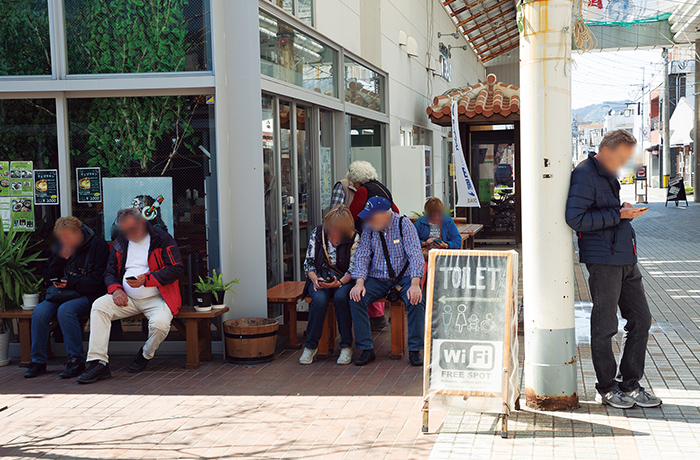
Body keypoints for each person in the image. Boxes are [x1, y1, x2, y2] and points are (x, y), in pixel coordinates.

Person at [566, 129, 660, 409]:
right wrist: (619, 214)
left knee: (641, 320)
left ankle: (630, 384)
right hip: (604, 259)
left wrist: (622, 210)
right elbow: (576, 218)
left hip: (624, 255)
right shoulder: (585, 173)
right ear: (606, 150)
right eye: (621, 158)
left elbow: (603, 211)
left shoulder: (605, 173)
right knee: (605, 325)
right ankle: (606, 387)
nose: (623, 165)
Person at [77, 207, 184, 384]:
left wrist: (147, 279)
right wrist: (116, 289)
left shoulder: (162, 239)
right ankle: (98, 363)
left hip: (158, 297)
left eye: (132, 229)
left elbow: (176, 268)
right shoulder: (120, 242)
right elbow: (109, 271)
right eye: (125, 230)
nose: (129, 234)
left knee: (160, 325)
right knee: (99, 307)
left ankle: (145, 354)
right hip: (127, 297)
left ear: (142, 223)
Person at [24, 217, 109, 379]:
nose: (64, 241)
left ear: (78, 233)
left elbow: (98, 282)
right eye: (61, 238)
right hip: (61, 294)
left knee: (66, 310)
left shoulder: (98, 246)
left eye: (67, 237)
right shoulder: (60, 247)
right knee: (40, 312)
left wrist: (71, 282)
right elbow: (47, 276)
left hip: (88, 294)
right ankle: (38, 361)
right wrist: (59, 259)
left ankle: (76, 360)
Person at [350, 196, 426, 367]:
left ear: (384, 214)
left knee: (416, 300)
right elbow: (362, 256)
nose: (368, 219)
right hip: (377, 278)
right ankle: (366, 348)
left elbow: (415, 256)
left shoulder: (403, 224)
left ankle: (415, 349)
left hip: (404, 277)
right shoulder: (369, 228)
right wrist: (359, 282)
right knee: (356, 298)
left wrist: (415, 284)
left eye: (371, 216)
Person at [300, 205, 359, 365]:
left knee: (341, 298)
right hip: (320, 277)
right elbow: (308, 263)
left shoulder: (353, 238)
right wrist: (315, 279)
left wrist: (338, 283)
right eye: (331, 225)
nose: (332, 229)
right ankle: (311, 346)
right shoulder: (318, 233)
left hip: (344, 279)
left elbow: (354, 269)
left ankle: (346, 346)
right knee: (319, 300)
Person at [345, 161, 399, 330]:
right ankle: (378, 316)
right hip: (387, 235)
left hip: (370, 235)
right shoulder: (382, 187)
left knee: (368, 271)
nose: (352, 184)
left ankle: (375, 316)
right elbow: (395, 209)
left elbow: (352, 215)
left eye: (352, 180)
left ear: (356, 178)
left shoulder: (363, 190)